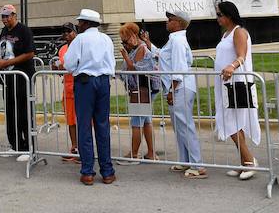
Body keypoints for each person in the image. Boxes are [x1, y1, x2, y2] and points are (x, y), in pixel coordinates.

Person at [63, 9, 116, 185]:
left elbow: (69, 64)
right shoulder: (106, 39)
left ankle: (87, 172)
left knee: (84, 127)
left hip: (85, 83)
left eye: (80, 22)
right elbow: (111, 63)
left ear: (85, 23)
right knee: (102, 126)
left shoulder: (80, 39)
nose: (78, 25)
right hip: (103, 82)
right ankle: (107, 172)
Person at [152, 10, 207, 178]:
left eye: (170, 19)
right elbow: (163, 56)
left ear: (178, 22)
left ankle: (197, 165)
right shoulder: (175, 39)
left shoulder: (176, 40)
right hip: (179, 87)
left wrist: (171, 90)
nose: (166, 22)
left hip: (179, 87)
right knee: (180, 126)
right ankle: (185, 160)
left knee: (184, 125)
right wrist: (148, 43)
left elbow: (179, 67)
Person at [214, 2, 261, 180]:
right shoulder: (226, 34)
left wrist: (232, 66)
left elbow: (241, 55)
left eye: (220, 15)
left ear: (229, 15)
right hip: (225, 83)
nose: (217, 18)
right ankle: (244, 162)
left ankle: (249, 161)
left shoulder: (239, 32)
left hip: (236, 83)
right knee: (230, 121)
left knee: (232, 121)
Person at [0, 4, 36, 162]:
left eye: (7, 16)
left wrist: (6, 63)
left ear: (14, 15)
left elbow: (30, 53)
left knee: (23, 111)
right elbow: (3, 52)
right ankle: (15, 144)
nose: (4, 19)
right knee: (10, 111)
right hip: (8, 78)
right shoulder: (4, 31)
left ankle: (28, 147)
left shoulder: (24, 30)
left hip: (22, 76)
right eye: (2, 16)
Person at [117, 22, 157, 164]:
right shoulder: (138, 48)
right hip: (144, 89)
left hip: (142, 90)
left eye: (125, 41)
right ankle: (151, 153)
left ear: (133, 36)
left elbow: (135, 69)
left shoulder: (141, 48)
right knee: (146, 121)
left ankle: (134, 154)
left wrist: (125, 57)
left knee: (137, 122)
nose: (124, 45)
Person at [52, 22, 79, 162]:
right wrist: (55, 68)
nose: (66, 34)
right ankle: (74, 148)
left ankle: (83, 149)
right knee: (70, 120)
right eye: (64, 32)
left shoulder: (80, 45)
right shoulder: (62, 49)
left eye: (69, 31)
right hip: (67, 88)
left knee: (81, 119)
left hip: (80, 86)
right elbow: (60, 71)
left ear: (75, 32)